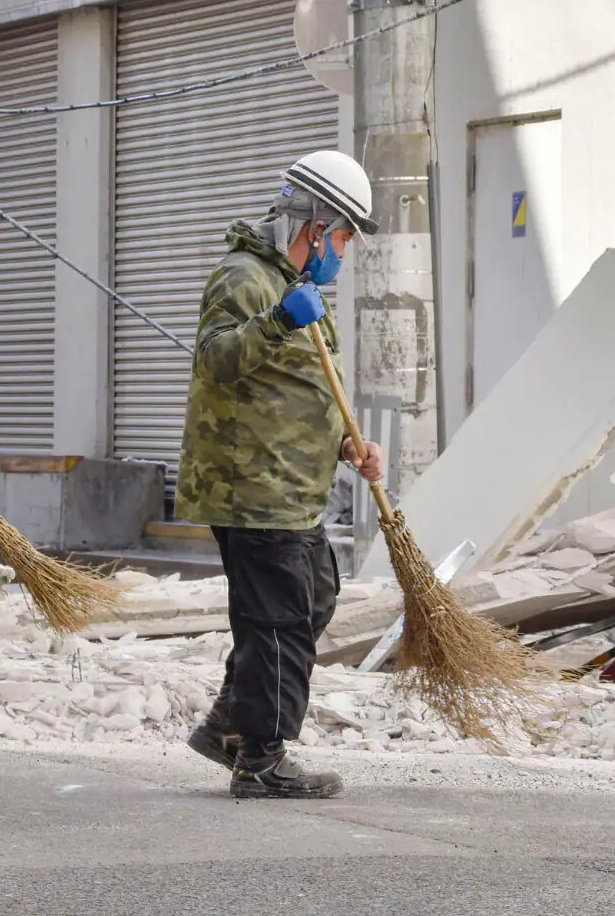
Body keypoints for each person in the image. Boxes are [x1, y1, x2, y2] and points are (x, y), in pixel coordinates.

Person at [176, 150, 386, 799]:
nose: (343, 253)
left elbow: (302, 388)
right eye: (344, 236)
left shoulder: (300, 290)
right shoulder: (245, 278)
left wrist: (349, 444)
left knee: (314, 597)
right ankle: (260, 759)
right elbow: (216, 359)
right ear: (316, 225)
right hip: (253, 487)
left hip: (292, 487)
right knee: (275, 619)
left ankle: (229, 725)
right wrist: (277, 320)